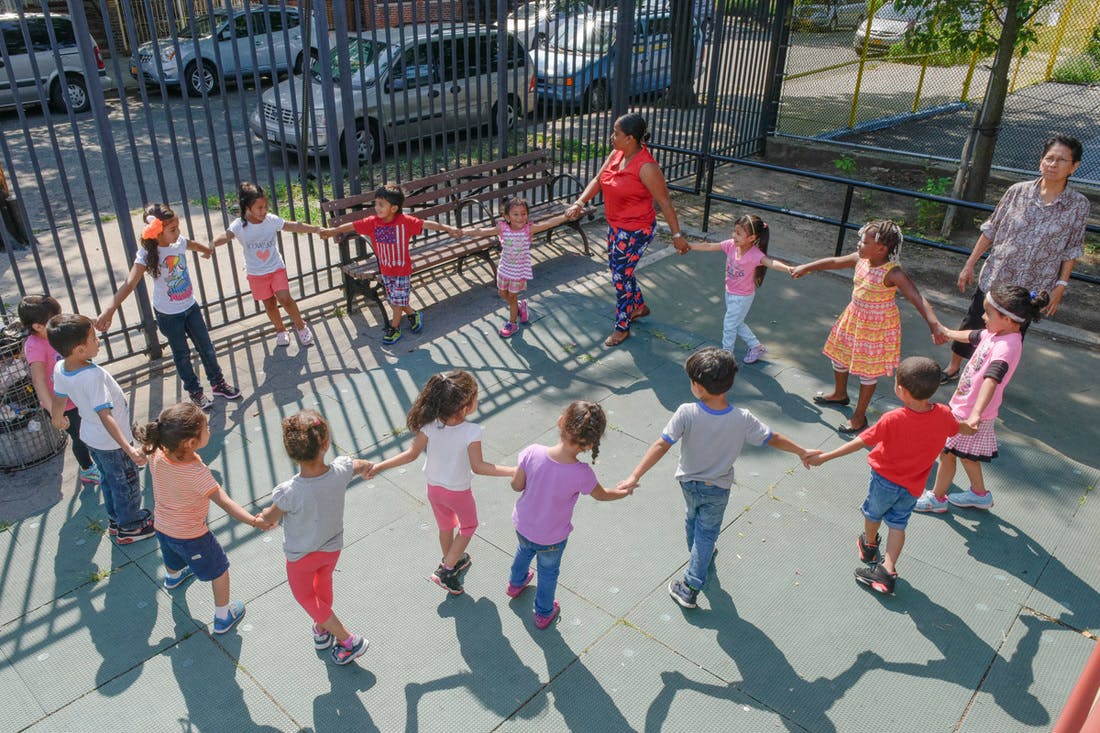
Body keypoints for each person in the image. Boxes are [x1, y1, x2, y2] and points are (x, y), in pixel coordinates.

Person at [617, 347, 818, 609]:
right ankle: (697, 566)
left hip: (689, 484)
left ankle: (693, 578)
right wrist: (802, 451)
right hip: (718, 488)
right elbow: (773, 438)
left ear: (698, 387)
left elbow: (661, 445)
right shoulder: (742, 419)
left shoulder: (687, 412)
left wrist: (635, 475)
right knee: (706, 532)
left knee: (692, 520)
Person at [804, 357, 966, 595]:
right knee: (898, 525)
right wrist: (971, 426)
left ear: (900, 390)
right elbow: (957, 427)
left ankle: (869, 545)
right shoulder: (943, 414)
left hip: (885, 481)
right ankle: (887, 570)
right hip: (913, 485)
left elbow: (861, 441)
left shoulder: (894, 419)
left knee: (873, 513)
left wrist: (825, 457)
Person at [941, 135, 1089, 384]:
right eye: (1049, 158)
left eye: (1061, 160)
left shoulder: (1078, 205)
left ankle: (987, 381)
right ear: (1041, 161)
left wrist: (1060, 287)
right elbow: (991, 230)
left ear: (1074, 167)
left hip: (1031, 289)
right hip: (997, 278)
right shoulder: (1017, 192)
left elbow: (1071, 249)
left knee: (1011, 336)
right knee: (975, 321)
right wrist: (969, 265)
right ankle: (954, 367)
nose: (1053, 164)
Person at [791, 220, 944, 434]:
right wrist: (807, 267)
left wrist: (934, 325)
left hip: (876, 326)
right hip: (854, 316)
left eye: (864, 242)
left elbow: (917, 297)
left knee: (867, 371)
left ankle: (860, 416)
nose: (859, 245)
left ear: (881, 248)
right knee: (839, 357)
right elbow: (835, 261)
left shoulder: (893, 273)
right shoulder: (861, 259)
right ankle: (840, 394)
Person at [367, 370, 513, 594]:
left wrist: (379, 466)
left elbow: (411, 454)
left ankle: (451, 561)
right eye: (475, 396)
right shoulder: (471, 432)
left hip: (434, 490)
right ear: (464, 406)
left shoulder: (431, 425)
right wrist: (513, 471)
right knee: (469, 526)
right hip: (459, 492)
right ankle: (446, 570)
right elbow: (479, 467)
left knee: (446, 527)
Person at [135, 403, 270, 634]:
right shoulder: (196, 474)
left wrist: (139, 452)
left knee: (172, 555)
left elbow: (145, 447)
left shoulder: (156, 451)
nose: (209, 430)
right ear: (190, 443)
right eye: (206, 428)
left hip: (163, 527)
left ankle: (173, 577)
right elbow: (225, 502)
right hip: (192, 536)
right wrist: (254, 521)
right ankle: (223, 615)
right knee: (219, 569)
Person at [915, 286, 1048, 514]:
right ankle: (980, 495)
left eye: (988, 314)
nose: (983, 317)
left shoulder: (1007, 347)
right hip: (968, 408)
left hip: (971, 413)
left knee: (946, 452)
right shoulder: (997, 333)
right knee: (968, 457)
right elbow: (972, 336)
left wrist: (975, 413)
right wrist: (946, 332)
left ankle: (937, 499)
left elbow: (991, 380)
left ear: (1006, 319)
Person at [96, 203, 241, 410]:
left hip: (190, 307)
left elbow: (189, 243)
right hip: (169, 314)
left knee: (206, 348)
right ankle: (195, 392)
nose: (178, 232)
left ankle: (217, 383)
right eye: (172, 229)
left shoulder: (177, 242)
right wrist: (109, 310)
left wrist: (206, 250)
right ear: (156, 232)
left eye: (178, 227)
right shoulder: (147, 255)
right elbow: (129, 284)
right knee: (182, 355)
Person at [256, 411, 373, 665]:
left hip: (301, 556)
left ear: (292, 452)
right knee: (323, 585)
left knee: (306, 597)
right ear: (326, 444)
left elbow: (270, 517)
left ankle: (349, 641)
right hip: (331, 548)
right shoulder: (341, 470)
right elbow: (360, 465)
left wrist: (262, 517)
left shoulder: (289, 492)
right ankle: (322, 629)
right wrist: (367, 469)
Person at [565, 113, 687, 347]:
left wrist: (677, 236)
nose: (612, 137)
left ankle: (622, 325)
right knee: (621, 271)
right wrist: (579, 203)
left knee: (620, 275)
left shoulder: (647, 167)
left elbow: (665, 203)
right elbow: (598, 180)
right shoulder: (616, 154)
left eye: (616, 133)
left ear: (630, 138)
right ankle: (639, 305)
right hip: (617, 226)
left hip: (637, 230)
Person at [507, 401, 631, 629]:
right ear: (589, 443)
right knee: (548, 572)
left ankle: (515, 584)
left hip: (523, 525)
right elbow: (602, 495)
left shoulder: (531, 452)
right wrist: (623, 492)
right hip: (553, 538)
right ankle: (543, 612)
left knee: (523, 551)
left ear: (561, 421)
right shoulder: (582, 473)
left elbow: (517, 486)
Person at [47, 314, 155, 544]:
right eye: (93, 339)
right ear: (79, 350)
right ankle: (131, 526)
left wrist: (57, 419)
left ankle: (117, 519)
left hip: (92, 438)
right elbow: (105, 416)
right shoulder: (91, 376)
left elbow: (59, 396)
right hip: (112, 443)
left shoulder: (61, 367)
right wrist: (129, 449)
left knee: (109, 479)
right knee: (126, 482)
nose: (98, 341)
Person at [322, 184, 460, 345]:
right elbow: (352, 225)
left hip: (402, 270)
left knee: (396, 301)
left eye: (381, 204)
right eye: (376, 203)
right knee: (395, 299)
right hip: (386, 270)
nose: (377, 208)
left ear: (394, 208)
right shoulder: (372, 222)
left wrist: (448, 228)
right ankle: (413, 314)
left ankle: (394, 328)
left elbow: (426, 224)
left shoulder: (405, 221)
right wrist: (331, 231)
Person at [212, 181, 325, 349]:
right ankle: (280, 330)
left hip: (275, 268)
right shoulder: (239, 225)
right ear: (247, 208)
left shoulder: (270, 220)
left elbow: (291, 225)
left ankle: (300, 326)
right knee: (269, 304)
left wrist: (315, 229)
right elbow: (225, 236)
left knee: (285, 299)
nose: (264, 211)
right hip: (256, 273)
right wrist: (211, 244)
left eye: (266, 206)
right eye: (259, 208)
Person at [685, 214, 792, 364]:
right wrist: (689, 245)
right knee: (737, 323)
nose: (734, 235)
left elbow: (771, 262)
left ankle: (726, 357)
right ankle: (756, 347)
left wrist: (789, 269)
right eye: (734, 231)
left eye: (739, 233)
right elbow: (709, 246)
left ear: (752, 238)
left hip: (742, 297)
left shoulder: (755, 254)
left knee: (729, 325)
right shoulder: (731, 245)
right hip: (730, 292)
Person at [460, 197, 569, 338]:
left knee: (512, 296)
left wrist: (566, 216)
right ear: (507, 217)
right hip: (504, 268)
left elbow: (549, 223)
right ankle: (520, 306)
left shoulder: (529, 229)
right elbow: (482, 231)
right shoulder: (502, 228)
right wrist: (464, 231)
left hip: (518, 271)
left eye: (523, 214)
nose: (520, 217)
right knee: (502, 294)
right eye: (515, 214)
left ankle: (512, 323)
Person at [19, 295, 99, 485]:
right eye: (53, 318)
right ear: (38, 327)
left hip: (80, 394)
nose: (59, 321)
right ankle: (87, 469)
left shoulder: (57, 332)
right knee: (80, 436)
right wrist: (55, 412)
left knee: (93, 428)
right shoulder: (35, 346)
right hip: (64, 405)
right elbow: (38, 381)